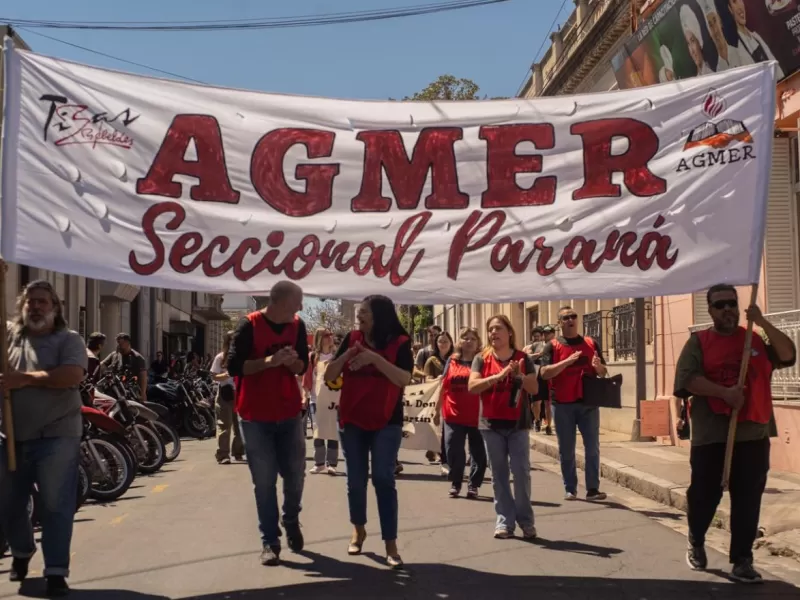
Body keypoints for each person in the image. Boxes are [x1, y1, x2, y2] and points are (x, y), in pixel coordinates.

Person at [674, 284, 795, 584]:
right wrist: (724, 393)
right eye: (720, 305)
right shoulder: (698, 342)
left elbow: (788, 354)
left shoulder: (754, 337)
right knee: (704, 496)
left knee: (748, 499)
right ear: (711, 311)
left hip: (753, 432)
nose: (727, 309)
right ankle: (696, 537)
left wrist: (764, 321)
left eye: (731, 303)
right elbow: (688, 380)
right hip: (712, 435)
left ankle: (742, 559)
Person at [0, 278, 88, 596]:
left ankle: (55, 571)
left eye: (42, 302)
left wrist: (24, 379)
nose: (35, 307)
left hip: (56, 433)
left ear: (55, 308)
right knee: (8, 503)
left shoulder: (69, 339)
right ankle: (22, 552)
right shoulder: (7, 336)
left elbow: (72, 375)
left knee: (54, 504)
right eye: (30, 302)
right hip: (11, 435)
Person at [325, 295, 412, 569]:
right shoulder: (351, 339)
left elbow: (403, 378)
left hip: (388, 420)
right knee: (355, 480)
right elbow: (329, 375)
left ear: (379, 316)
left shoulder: (400, 343)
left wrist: (373, 358)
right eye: (358, 313)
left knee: (384, 478)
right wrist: (350, 355)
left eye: (363, 313)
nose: (358, 318)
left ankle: (390, 543)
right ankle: (358, 528)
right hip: (353, 421)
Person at [227, 281, 309, 567]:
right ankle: (270, 542)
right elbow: (234, 367)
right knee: (263, 482)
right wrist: (270, 361)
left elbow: (303, 367)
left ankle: (291, 518)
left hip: (288, 412)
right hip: (255, 415)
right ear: (280, 303)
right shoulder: (248, 325)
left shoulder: (298, 326)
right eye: (297, 303)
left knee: (296, 474)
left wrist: (290, 363)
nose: (300, 308)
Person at [468, 315, 538, 539]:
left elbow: (535, 388)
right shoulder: (481, 358)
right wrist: (497, 377)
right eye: (490, 329)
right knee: (499, 475)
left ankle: (526, 521)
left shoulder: (523, 358)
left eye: (498, 328)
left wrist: (519, 374)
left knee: (520, 472)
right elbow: (472, 386)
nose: (493, 333)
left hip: (518, 424)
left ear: (509, 332)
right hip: (491, 425)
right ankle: (504, 522)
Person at [540, 307, 608, 502]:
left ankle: (593, 489)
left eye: (573, 316)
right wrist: (566, 363)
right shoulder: (552, 346)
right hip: (563, 405)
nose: (571, 319)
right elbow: (544, 373)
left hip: (588, 404)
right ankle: (570, 488)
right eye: (566, 317)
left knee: (592, 448)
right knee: (567, 449)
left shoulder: (590, 343)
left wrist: (598, 367)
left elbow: (603, 372)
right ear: (559, 323)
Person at [434, 327, 487, 499]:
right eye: (465, 338)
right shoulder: (452, 360)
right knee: (452, 448)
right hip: (452, 413)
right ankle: (456, 482)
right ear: (459, 341)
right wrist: (436, 409)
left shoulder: (483, 360)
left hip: (477, 415)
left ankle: (473, 484)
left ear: (478, 342)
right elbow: (443, 384)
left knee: (478, 452)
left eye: (473, 338)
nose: (469, 341)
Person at [303, 327, 339, 475]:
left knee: (332, 430)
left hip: (333, 400)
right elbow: (307, 378)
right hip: (315, 399)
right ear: (319, 338)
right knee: (317, 431)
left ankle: (331, 463)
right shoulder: (312, 357)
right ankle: (319, 463)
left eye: (330, 334)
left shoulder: (336, 356)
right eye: (326, 335)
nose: (329, 337)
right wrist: (305, 395)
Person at [212, 331, 244, 465]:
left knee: (241, 426)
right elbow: (213, 376)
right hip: (226, 395)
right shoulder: (220, 358)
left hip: (240, 394)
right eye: (233, 341)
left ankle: (238, 452)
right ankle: (223, 455)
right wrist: (226, 375)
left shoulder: (242, 357)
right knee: (225, 425)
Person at [100, 333, 147, 402]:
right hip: (114, 389)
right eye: (117, 343)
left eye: (120, 343)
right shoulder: (114, 355)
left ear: (127, 342)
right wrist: (106, 372)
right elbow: (102, 364)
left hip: (130, 391)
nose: (118, 345)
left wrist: (143, 393)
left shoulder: (137, 358)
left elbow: (143, 377)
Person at [680, 4, 713, 76]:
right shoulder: (695, 80)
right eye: (688, 44)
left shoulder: (711, 74)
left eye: (692, 41)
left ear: (699, 42)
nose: (692, 51)